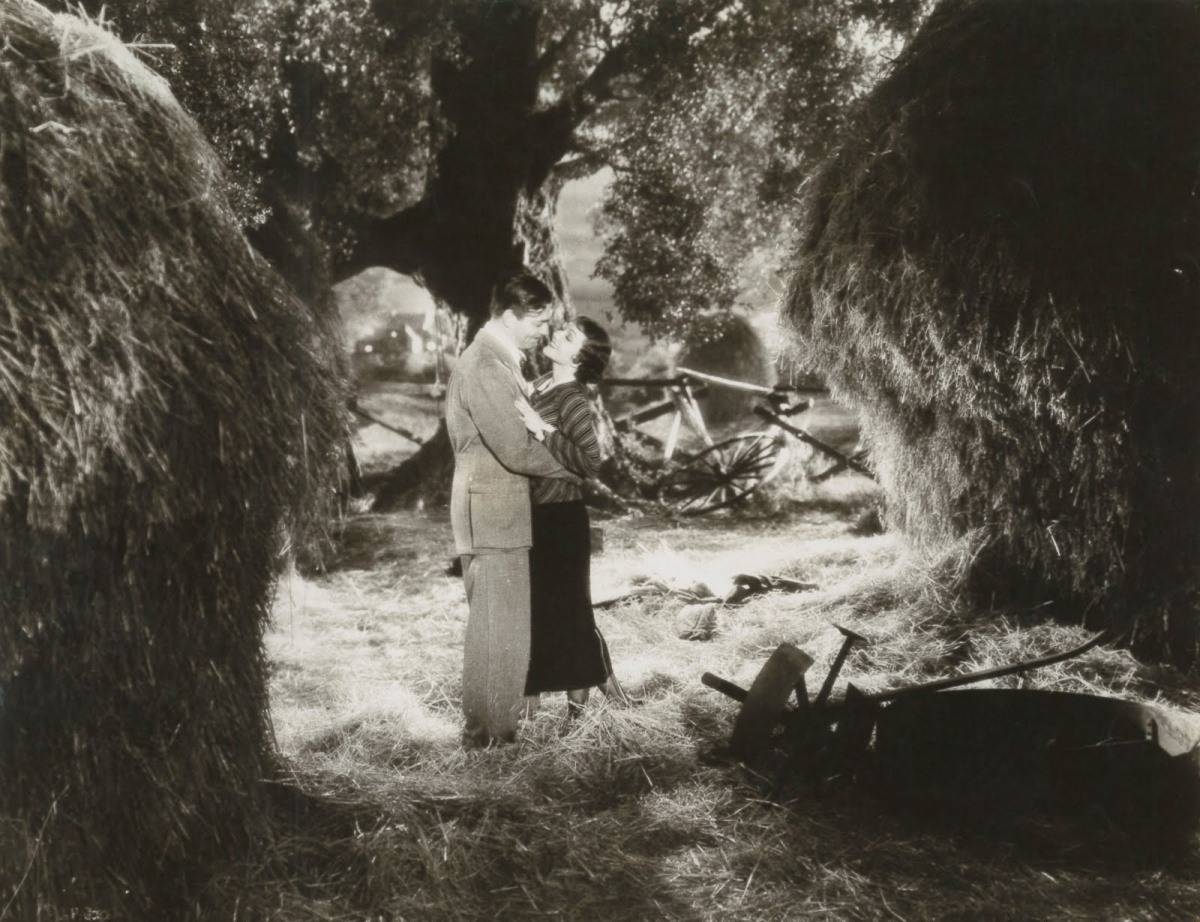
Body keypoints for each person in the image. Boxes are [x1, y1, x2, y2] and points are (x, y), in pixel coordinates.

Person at [446, 272, 576, 747]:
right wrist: (576, 466)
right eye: (537, 322)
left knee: (500, 627)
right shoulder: (485, 365)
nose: (543, 332)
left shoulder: (499, 361)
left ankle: (491, 732)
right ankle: (490, 737)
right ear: (507, 316)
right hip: (493, 510)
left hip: (496, 508)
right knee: (498, 630)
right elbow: (514, 448)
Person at [516, 316, 630, 716]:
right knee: (557, 613)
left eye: (568, 338)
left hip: (562, 520)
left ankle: (587, 712)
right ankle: (599, 702)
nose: (556, 336)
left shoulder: (572, 398)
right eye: (561, 330)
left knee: (571, 615)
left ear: (578, 360)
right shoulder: (541, 384)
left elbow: (591, 462)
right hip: (539, 516)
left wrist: (541, 429)